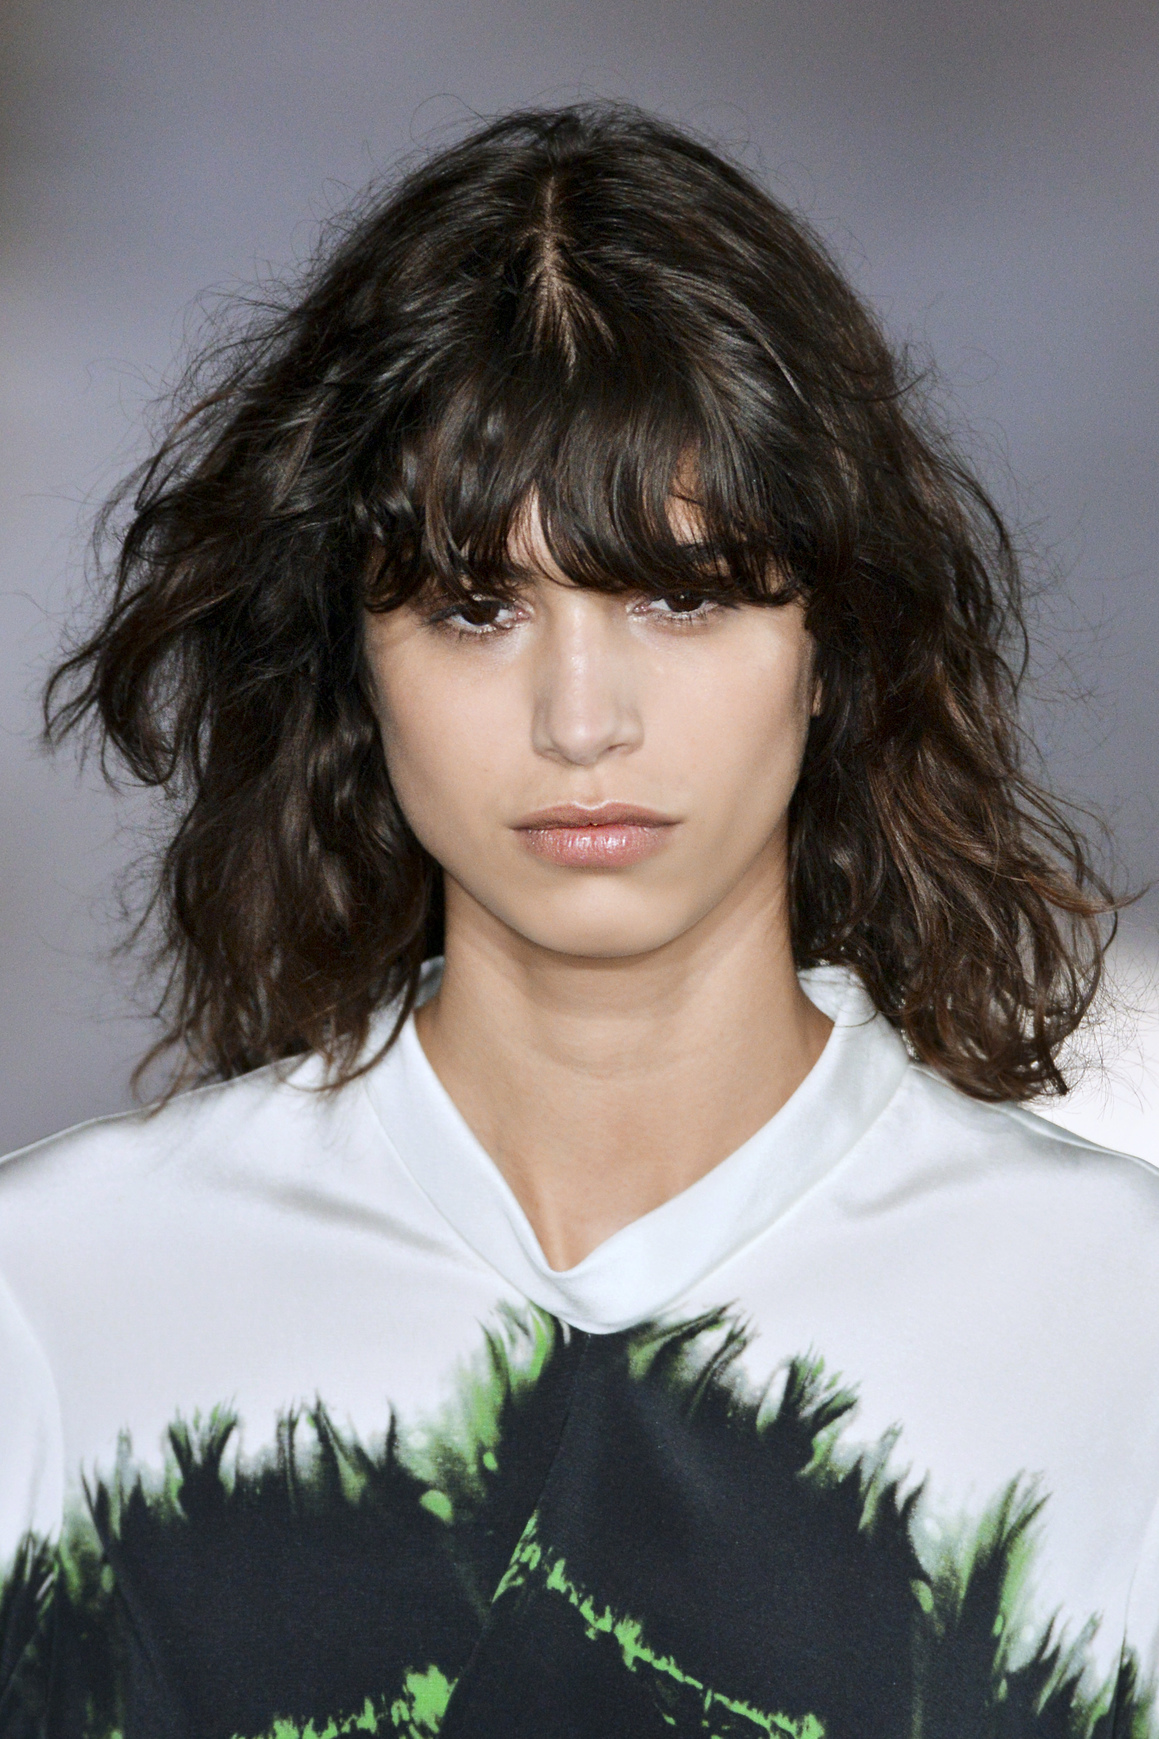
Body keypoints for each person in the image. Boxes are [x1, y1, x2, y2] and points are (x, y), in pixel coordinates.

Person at [0, 101, 1153, 1739]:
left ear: (835, 641)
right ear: (348, 659)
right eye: (476, 606)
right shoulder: (55, 1307)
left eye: (682, 595)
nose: (582, 719)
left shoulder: (1121, 1331)